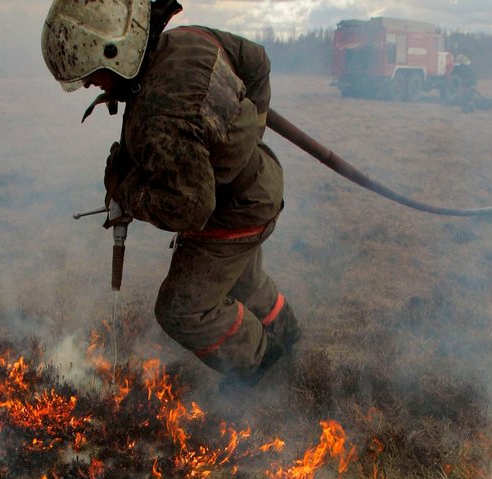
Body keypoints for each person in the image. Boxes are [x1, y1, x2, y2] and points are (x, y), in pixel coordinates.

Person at [41, 0, 300, 388]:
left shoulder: (158, 114)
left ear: (118, 52)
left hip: (233, 212)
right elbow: (256, 62)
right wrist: (249, 140)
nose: (89, 85)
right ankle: (288, 329)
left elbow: (190, 208)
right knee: (241, 281)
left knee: (182, 309)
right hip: (259, 181)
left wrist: (127, 191)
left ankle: (264, 365)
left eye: (93, 74)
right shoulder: (188, 40)